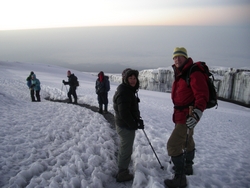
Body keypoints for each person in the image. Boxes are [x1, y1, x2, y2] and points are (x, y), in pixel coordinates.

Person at [164, 47, 209, 188]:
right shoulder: (182, 72)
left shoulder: (193, 73)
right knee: (187, 140)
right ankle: (188, 167)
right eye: (175, 57)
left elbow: (202, 94)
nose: (177, 59)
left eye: (180, 56)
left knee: (173, 145)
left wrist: (197, 113)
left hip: (188, 115)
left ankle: (180, 177)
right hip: (181, 114)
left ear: (186, 57)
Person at [113, 68, 144, 182]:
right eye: (130, 78)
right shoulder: (124, 92)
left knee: (124, 147)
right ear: (125, 79)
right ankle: (122, 173)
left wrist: (137, 120)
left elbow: (129, 109)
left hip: (124, 124)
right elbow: (124, 113)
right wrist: (133, 124)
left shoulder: (128, 90)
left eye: (134, 78)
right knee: (126, 149)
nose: (133, 80)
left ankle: (122, 167)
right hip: (125, 126)